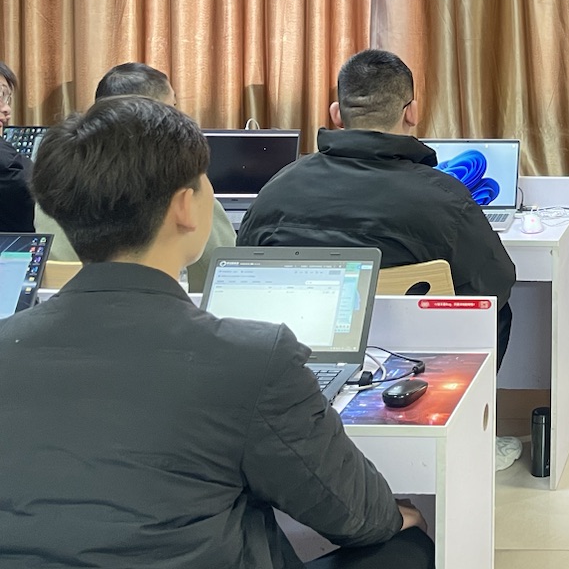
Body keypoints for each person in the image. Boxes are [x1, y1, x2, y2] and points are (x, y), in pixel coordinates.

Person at [0, 94, 434, 568]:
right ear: (185, 206)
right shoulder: (253, 359)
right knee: (406, 548)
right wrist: (401, 516)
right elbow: (356, 514)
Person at [237, 49, 517, 363]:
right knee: (498, 312)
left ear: (336, 114)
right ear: (412, 113)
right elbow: (495, 285)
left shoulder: (276, 190)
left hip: (300, 364)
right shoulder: (445, 198)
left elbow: (243, 281)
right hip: (412, 364)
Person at [32, 61, 237, 285]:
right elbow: (221, 263)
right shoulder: (177, 176)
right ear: (156, 115)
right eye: (173, 106)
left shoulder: (60, 174)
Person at [0, 60, 36, 232]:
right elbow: (35, 183)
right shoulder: (7, 163)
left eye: (7, 99)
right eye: (0, 96)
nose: (7, 109)